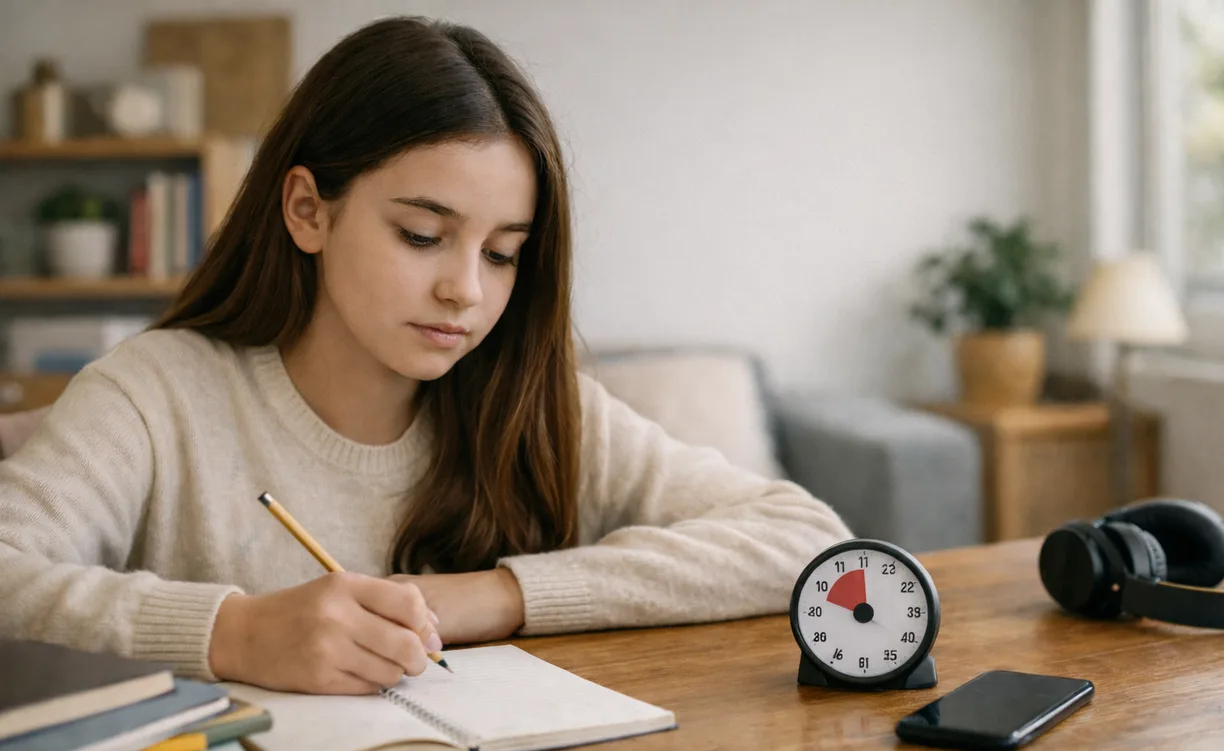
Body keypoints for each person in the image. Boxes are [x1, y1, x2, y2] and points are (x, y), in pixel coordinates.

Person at [0, 16, 851, 695]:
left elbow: (804, 540)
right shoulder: (157, 395)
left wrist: (489, 596)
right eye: (422, 235)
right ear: (307, 210)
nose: (465, 292)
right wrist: (235, 630)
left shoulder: (534, 407)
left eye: (503, 252)